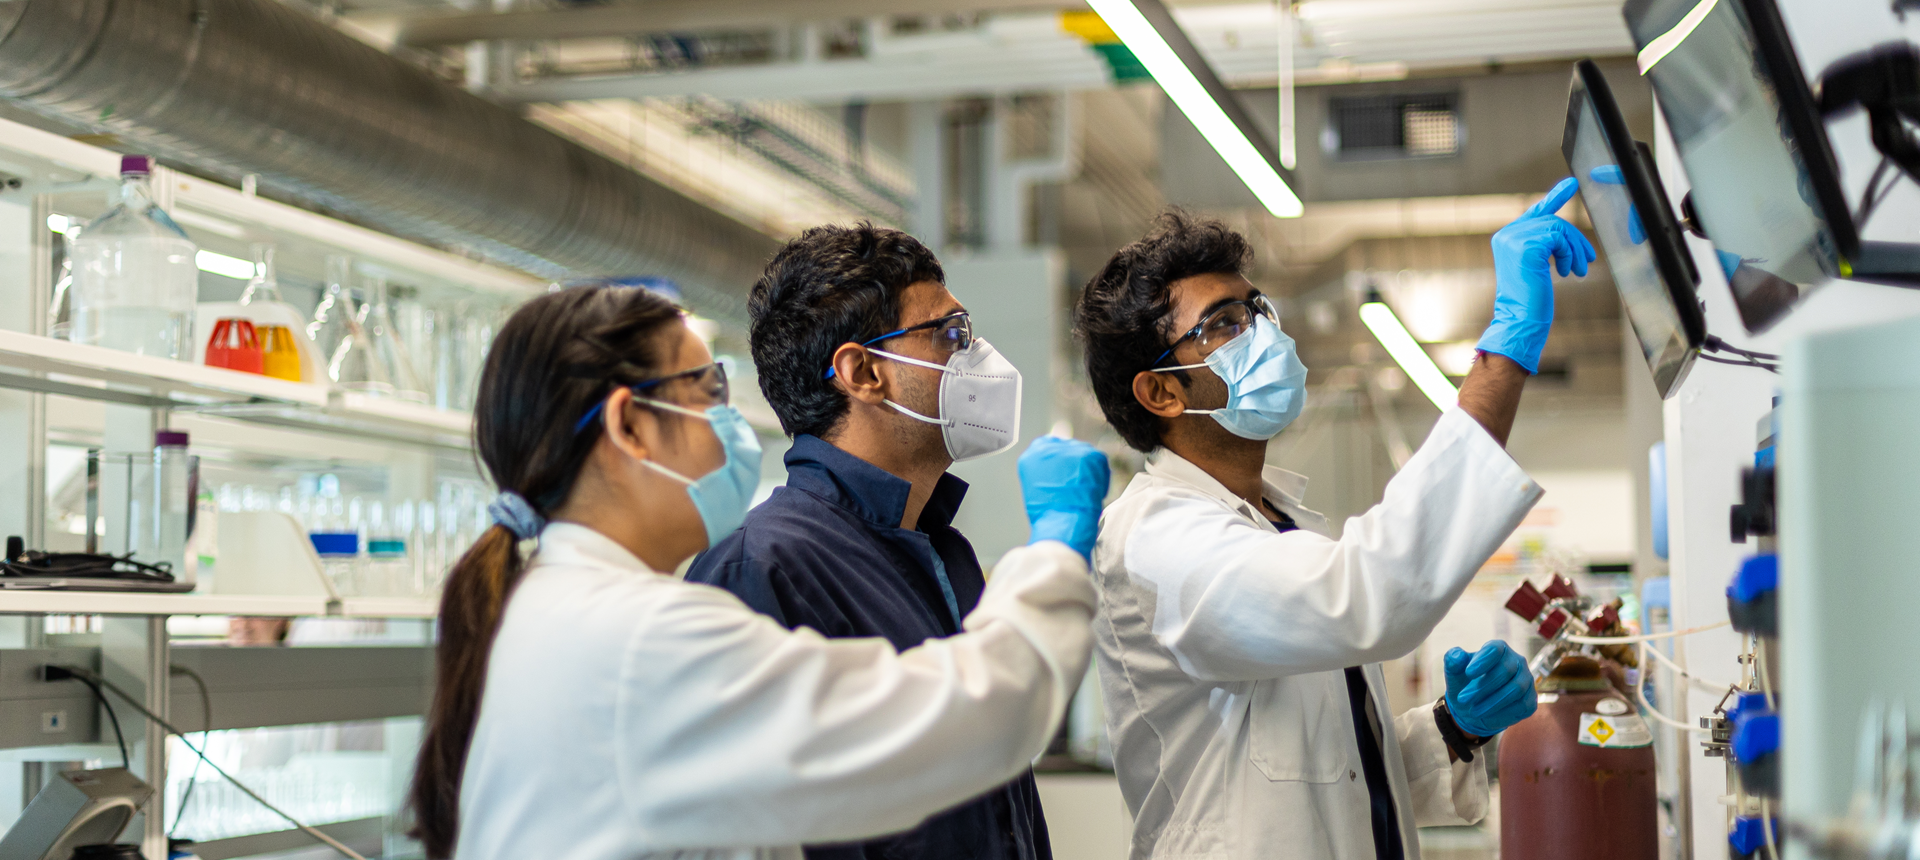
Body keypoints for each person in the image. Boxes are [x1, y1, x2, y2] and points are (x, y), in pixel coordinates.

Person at [406, 284, 1111, 860]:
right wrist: (1054, 550)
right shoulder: (640, 637)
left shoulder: (557, 608)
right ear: (630, 426)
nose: (732, 420)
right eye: (707, 390)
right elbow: (963, 721)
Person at [1072, 180, 1596, 860]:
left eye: (1255, 308)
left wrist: (1453, 728)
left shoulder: (1282, 525)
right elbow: (1367, 595)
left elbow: (1333, 776)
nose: (1261, 330)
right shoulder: (1160, 539)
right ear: (1162, 390)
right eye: (1224, 323)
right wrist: (1505, 353)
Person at [686, 223, 1078, 860]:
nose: (976, 355)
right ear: (862, 371)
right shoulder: (762, 569)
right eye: (951, 335)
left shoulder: (941, 553)